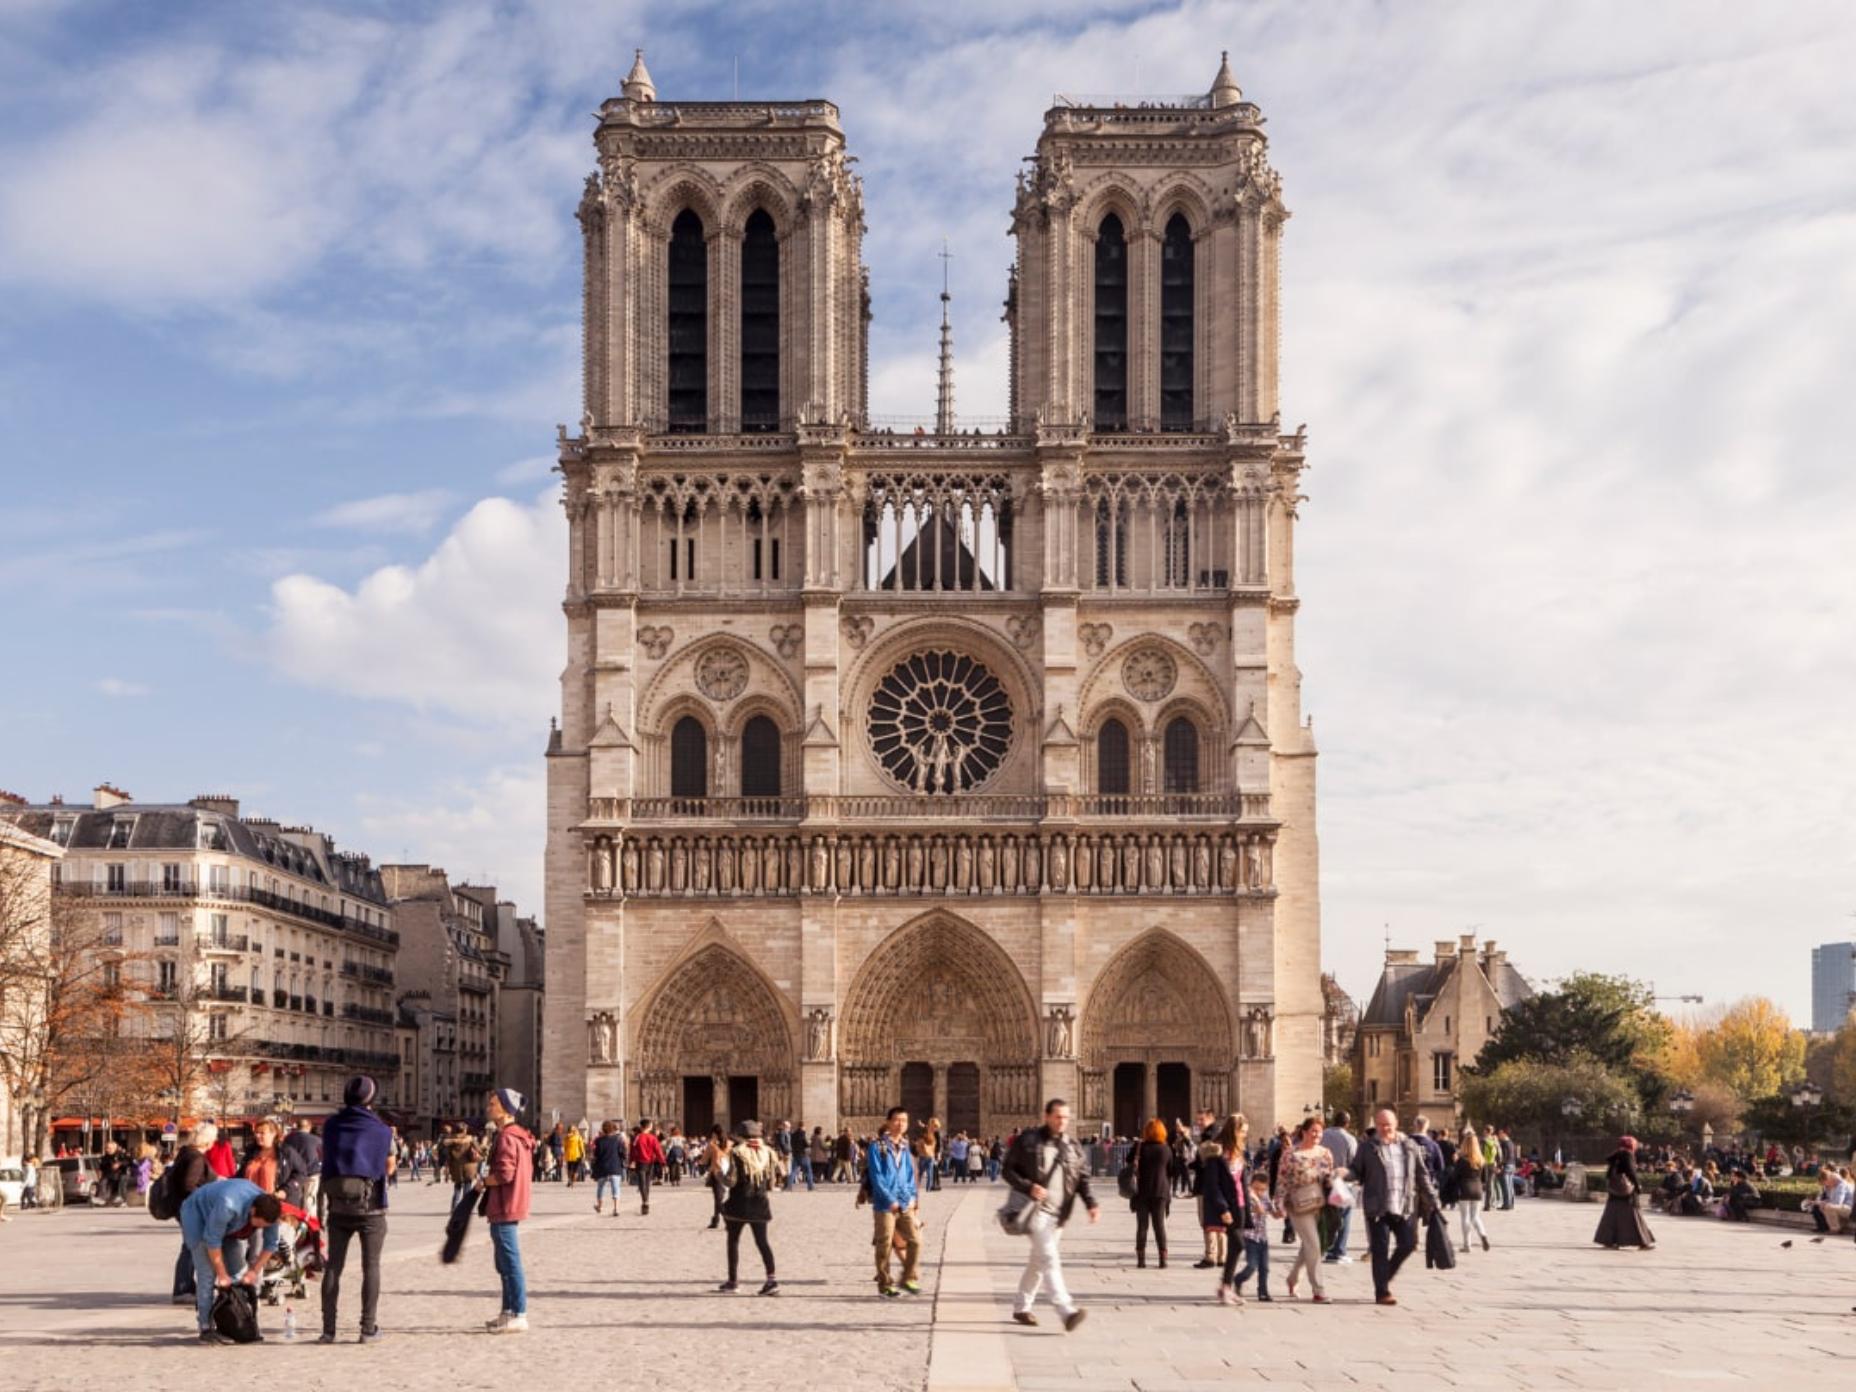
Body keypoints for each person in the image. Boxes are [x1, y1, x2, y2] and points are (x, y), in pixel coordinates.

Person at [1004, 1098, 1099, 1332]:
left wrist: (1091, 1203)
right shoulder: (1028, 1140)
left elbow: (1082, 1178)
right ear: (1046, 1116)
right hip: (1035, 1209)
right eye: (1058, 1116)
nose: (1062, 1121)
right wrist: (1028, 1187)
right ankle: (1066, 1311)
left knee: (1038, 1261)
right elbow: (1008, 1169)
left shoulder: (1073, 1146)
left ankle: (1021, 1307)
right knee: (1049, 1258)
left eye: (1066, 1117)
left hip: (1058, 1214)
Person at [319, 1075, 394, 1344]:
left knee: (333, 1268)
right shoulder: (381, 1130)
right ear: (371, 1099)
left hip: (338, 1206)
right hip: (371, 1206)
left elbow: (325, 1159)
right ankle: (367, 1328)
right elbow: (389, 1167)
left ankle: (328, 1330)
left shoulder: (331, 1126)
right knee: (370, 1267)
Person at [179, 1177, 284, 1343]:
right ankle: (205, 1327)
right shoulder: (229, 1204)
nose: (261, 1228)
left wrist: (254, 1271)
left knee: (239, 1271)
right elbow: (212, 1240)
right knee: (207, 1273)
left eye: (265, 1226)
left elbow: (271, 1244)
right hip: (197, 1216)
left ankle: (236, 1321)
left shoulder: (272, 1211)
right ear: (253, 1211)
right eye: (259, 1224)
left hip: (230, 1227)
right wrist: (221, 1273)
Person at [1354, 1108, 1439, 1307]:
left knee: (1409, 1243)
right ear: (1376, 1125)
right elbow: (1356, 1170)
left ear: (1396, 1124)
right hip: (1378, 1206)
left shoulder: (1409, 1146)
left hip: (1404, 1204)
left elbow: (1422, 1174)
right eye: (1381, 1125)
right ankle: (1382, 1292)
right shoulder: (1368, 1148)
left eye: (1388, 1125)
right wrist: (1343, 1174)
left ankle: (1386, 1274)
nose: (1385, 1128)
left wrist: (1433, 1198)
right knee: (1380, 1248)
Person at [482, 1088, 536, 1332]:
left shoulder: (506, 1137)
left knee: (510, 1263)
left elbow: (505, 1173)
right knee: (504, 1263)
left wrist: (484, 1181)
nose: (488, 1108)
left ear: (504, 1109)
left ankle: (519, 1313)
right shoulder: (520, 1136)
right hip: (512, 1203)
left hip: (504, 1205)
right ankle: (507, 1311)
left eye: (493, 1104)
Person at [712, 1120, 780, 1294]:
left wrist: (718, 1174)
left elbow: (731, 1181)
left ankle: (733, 1281)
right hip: (760, 1203)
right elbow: (774, 1180)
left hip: (739, 1204)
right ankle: (771, 1280)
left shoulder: (737, 1153)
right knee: (763, 1242)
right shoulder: (768, 1153)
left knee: (733, 1241)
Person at [1274, 1118, 1334, 1303]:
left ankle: (1292, 1278)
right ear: (1304, 1132)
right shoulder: (1290, 1154)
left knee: (1310, 1245)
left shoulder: (1325, 1153)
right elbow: (1282, 1180)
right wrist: (1279, 1204)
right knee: (1314, 1244)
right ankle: (1319, 1289)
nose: (1317, 1135)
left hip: (1320, 1203)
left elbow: (1329, 1178)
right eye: (1313, 1131)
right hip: (1298, 1204)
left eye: (1320, 1131)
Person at [867, 1107, 922, 1297]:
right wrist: (890, 1200)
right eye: (897, 1120)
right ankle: (885, 1283)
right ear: (889, 1122)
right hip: (885, 1205)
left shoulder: (905, 1147)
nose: (900, 1124)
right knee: (884, 1244)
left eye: (904, 1121)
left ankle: (907, 1277)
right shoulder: (877, 1146)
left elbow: (909, 1175)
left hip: (905, 1202)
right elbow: (877, 1176)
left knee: (916, 1241)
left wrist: (912, 1197)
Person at [167, 1126, 215, 1305]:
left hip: (184, 1207)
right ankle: (183, 1288)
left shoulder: (185, 1153)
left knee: (189, 1246)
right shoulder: (196, 1158)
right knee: (191, 1247)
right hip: (192, 1209)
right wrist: (206, 1195)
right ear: (208, 1141)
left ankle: (185, 1285)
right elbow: (189, 1185)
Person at [1207, 1116, 1248, 1303]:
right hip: (1228, 1206)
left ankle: (1226, 1288)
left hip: (1240, 1204)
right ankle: (1226, 1286)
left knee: (1236, 1246)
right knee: (1238, 1244)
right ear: (1234, 1132)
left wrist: (1250, 1202)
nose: (1245, 1135)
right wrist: (1222, 1208)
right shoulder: (1216, 1153)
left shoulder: (1239, 1152)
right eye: (1243, 1131)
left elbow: (1242, 1181)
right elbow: (1212, 1185)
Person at [1593, 1135, 1655, 1251]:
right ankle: (1642, 1242)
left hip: (1615, 1192)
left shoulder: (1615, 1156)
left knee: (1612, 1216)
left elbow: (1608, 1174)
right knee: (1634, 1216)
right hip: (1627, 1193)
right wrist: (1637, 1185)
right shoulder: (1627, 1154)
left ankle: (1609, 1240)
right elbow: (1631, 1172)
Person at [1131, 1117, 1173, 1269]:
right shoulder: (1166, 1149)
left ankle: (1141, 1260)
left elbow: (1129, 1162)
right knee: (1159, 1226)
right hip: (1160, 1191)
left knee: (1142, 1226)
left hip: (1142, 1191)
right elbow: (1171, 1171)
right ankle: (1163, 1260)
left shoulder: (1139, 1147)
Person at [1229, 1169, 1277, 1302]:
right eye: (1256, 1188)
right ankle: (1238, 1279)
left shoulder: (1265, 1197)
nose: (1259, 1192)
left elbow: (1272, 1212)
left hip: (1262, 1237)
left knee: (1265, 1268)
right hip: (1249, 1236)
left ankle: (1263, 1292)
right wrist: (1257, 1207)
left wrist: (1280, 1212)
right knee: (1252, 1265)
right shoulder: (1247, 1197)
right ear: (1250, 1185)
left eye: (1262, 1189)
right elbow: (1252, 1210)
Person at [1320, 1109, 1357, 1264]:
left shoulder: (1323, 1135)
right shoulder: (1349, 1139)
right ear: (1347, 1124)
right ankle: (1338, 1251)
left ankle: (1324, 1247)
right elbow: (1353, 1163)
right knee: (1345, 1215)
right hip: (1341, 1182)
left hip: (1322, 1180)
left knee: (1326, 1216)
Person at [1453, 1125, 1491, 1253]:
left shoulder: (1462, 1160)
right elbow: (1485, 1178)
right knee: (1475, 1217)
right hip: (1477, 1189)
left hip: (1464, 1189)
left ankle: (1467, 1245)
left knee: (1465, 1217)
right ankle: (1483, 1235)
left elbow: (1455, 1176)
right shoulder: (1481, 1160)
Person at [282, 1118, 323, 1212]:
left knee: (294, 1198)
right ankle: (308, 1221)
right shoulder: (317, 1140)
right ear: (309, 1127)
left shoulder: (288, 1139)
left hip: (293, 1174)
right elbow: (321, 1158)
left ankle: (295, 1218)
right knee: (309, 1198)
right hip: (312, 1173)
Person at [630, 1119, 665, 1216]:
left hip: (640, 1162)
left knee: (642, 1183)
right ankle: (646, 1201)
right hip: (650, 1163)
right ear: (649, 1126)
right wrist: (663, 1162)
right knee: (647, 1183)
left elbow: (632, 1150)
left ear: (641, 1127)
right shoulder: (653, 1138)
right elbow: (658, 1150)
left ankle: (645, 1201)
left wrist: (631, 1161)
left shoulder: (637, 1137)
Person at [592, 1120, 628, 1215]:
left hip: (602, 1167)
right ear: (613, 1129)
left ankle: (599, 1206)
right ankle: (616, 1208)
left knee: (601, 1187)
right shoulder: (618, 1140)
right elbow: (623, 1153)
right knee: (616, 1188)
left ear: (603, 1129)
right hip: (615, 1167)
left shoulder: (598, 1140)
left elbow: (596, 1154)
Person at [1806, 1167, 1853, 1234]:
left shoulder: (1841, 1185)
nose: (1825, 1186)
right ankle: (1829, 1227)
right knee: (1823, 1206)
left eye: (1825, 1183)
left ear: (1829, 1179)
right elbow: (1829, 1199)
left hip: (1850, 1209)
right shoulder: (1830, 1185)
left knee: (1828, 1206)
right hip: (1842, 1208)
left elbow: (1837, 1202)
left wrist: (1822, 1203)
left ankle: (1835, 1229)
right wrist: (1818, 1202)